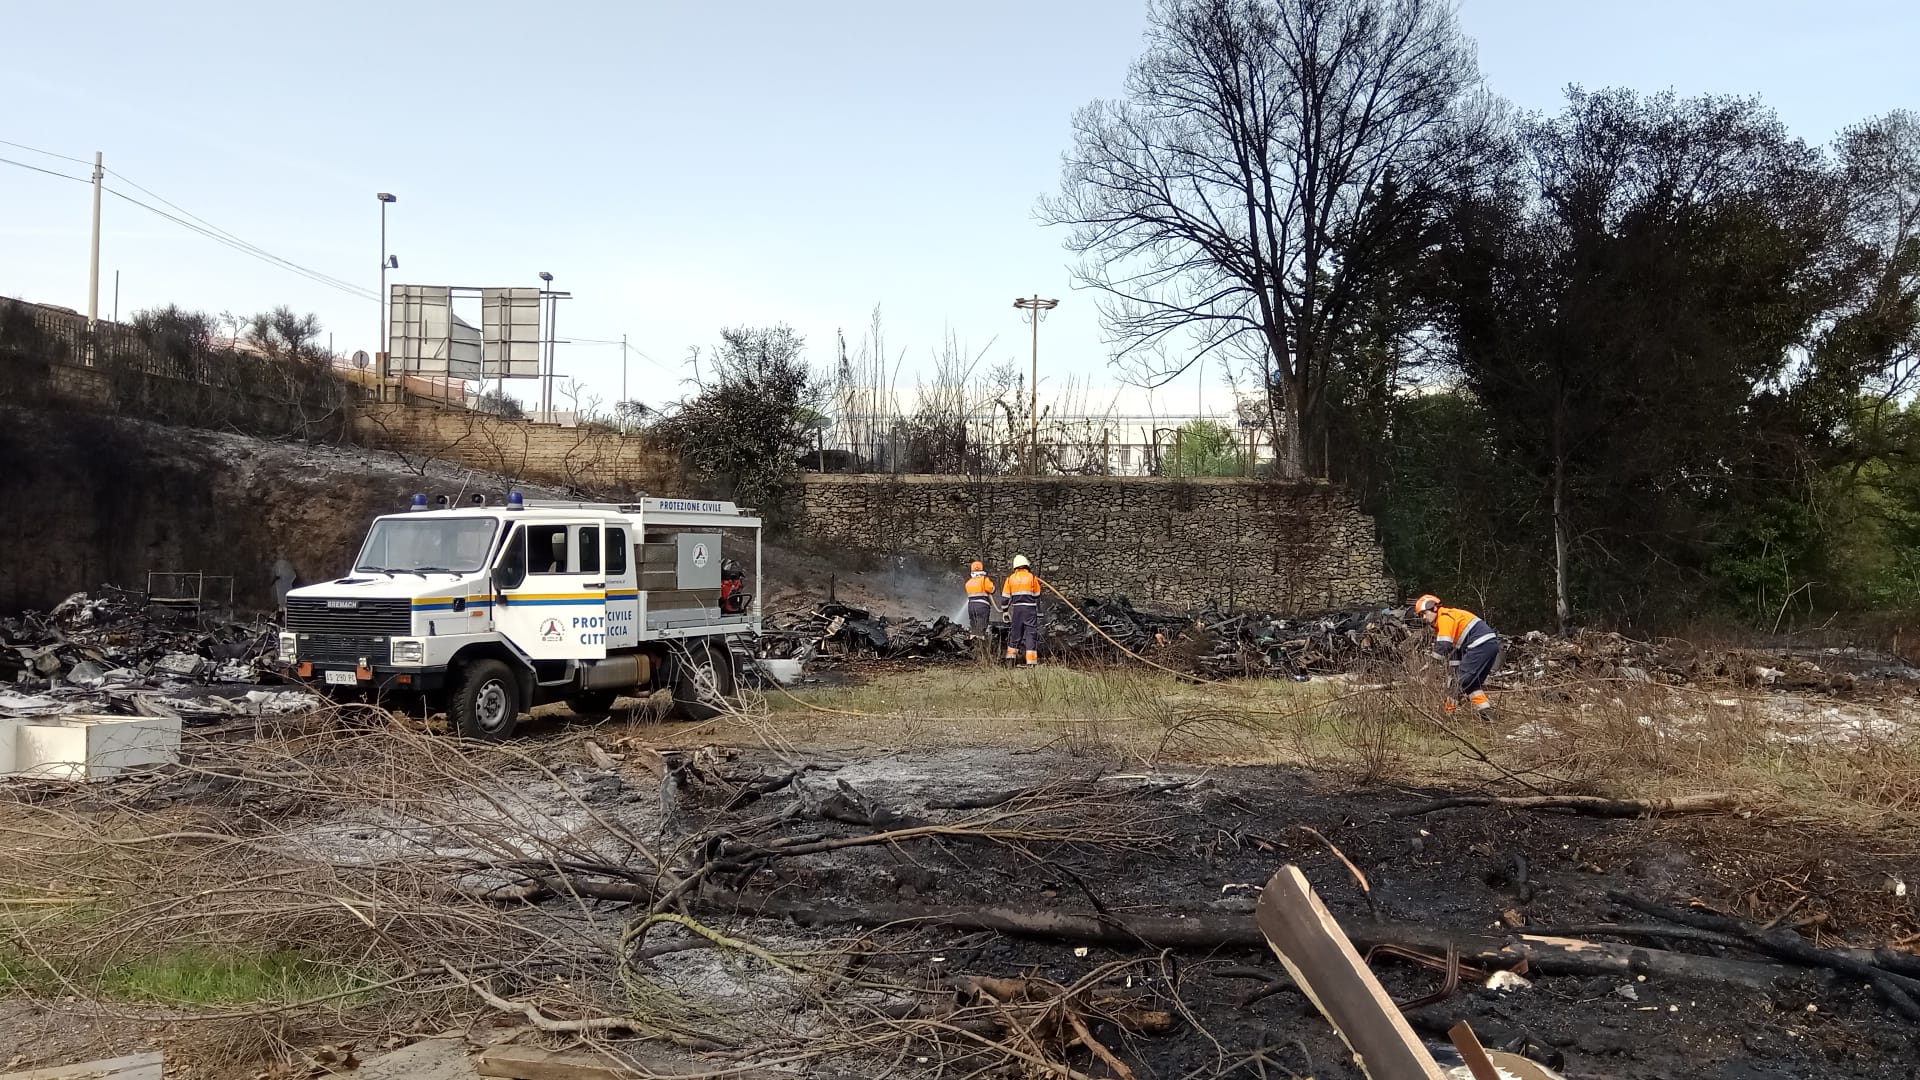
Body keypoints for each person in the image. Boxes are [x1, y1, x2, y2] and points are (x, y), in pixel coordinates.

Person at [1413, 594, 1500, 716]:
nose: (1423, 618)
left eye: (1424, 613)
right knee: (1471, 684)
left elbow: (1444, 645)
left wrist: (1430, 667)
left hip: (1479, 645)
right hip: (1489, 645)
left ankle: (1447, 715)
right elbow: (1455, 652)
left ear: (1434, 608)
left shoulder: (1444, 618)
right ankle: (1486, 712)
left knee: (1457, 684)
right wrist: (1452, 672)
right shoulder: (1451, 617)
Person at [1002, 555, 1042, 666]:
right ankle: (1031, 662)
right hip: (1030, 609)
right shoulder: (1032, 578)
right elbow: (1037, 595)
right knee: (1030, 634)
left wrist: (1005, 611)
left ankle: (1010, 660)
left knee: (1015, 633)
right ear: (1027, 565)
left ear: (1015, 567)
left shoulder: (1010, 579)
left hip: (1017, 609)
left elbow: (1005, 598)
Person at [964, 560, 997, 656]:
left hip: (971, 607)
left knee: (974, 627)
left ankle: (972, 649)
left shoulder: (968, 583)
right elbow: (992, 589)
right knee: (981, 628)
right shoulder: (984, 580)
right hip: (982, 607)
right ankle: (981, 652)